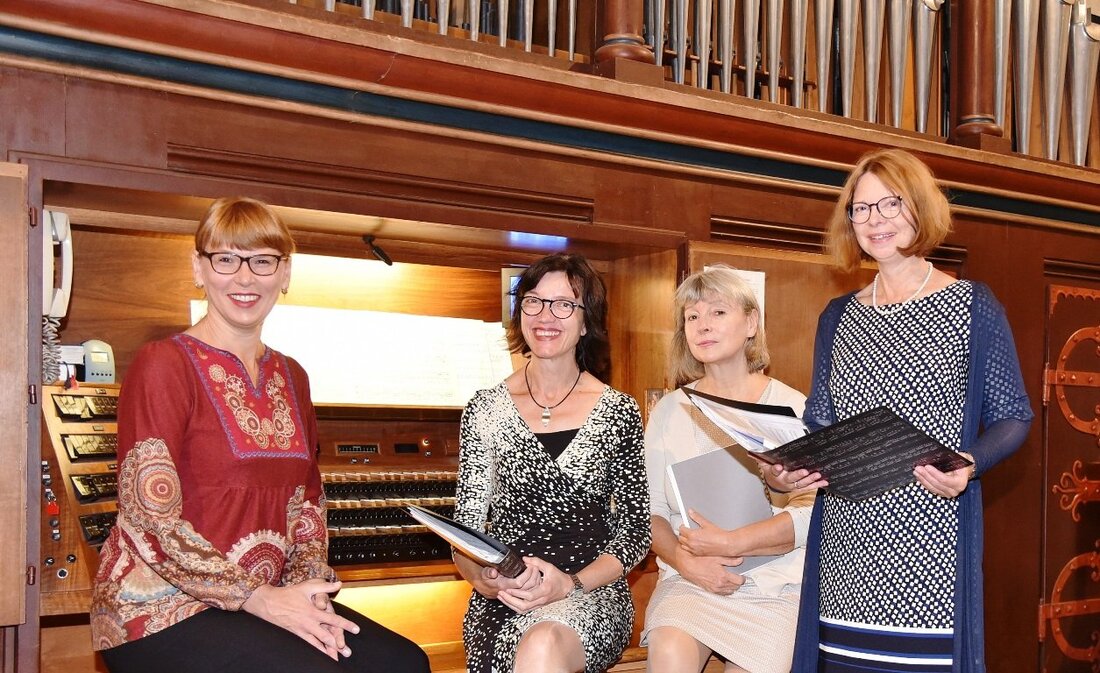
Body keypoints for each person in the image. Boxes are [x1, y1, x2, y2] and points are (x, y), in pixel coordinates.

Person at [89, 197, 430, 673]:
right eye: (226, 259)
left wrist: (308, 596)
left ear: (285, 273)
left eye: (263, 261)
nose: (245, 278)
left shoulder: (293, 375)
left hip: (268, 601)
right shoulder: (162, 364)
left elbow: (307, 504)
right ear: (198, 267)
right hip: (161, 608)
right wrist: (260, 599)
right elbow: (152, 522)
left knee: (402, 664)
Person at [769, 149, 1033, 673]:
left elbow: (1014, 416)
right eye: (861, 209)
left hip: (930, 551)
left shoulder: (973, 305)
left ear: (919, 209)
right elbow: (820, 421)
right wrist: (786, 471)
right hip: (845, 549)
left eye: (889, 204)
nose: (875, 221)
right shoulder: (837, 316)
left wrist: (970, 465)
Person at [452, 253, 651, 673]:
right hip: (507, 598)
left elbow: (635, 533)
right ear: (519, 312)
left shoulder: (618, 411)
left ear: (585, 322)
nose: (547, 316)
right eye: (534, 301)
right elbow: (465, 536)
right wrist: (485, 581)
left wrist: (570, 583)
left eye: (564, 305)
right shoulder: (485, 409)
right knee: (531, 647)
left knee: (542, 647)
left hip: (591, 591)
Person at [641, 265, 814, 673]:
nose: (704, 325)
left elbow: (811, 516)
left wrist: (732, 543)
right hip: (690, 580)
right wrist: (688, 565)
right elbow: (651, 513)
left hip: (776, 586)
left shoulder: (793, 409)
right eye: (692, 317)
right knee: (667, 653)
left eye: (718, 312)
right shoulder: (669, 409)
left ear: (751, 322)